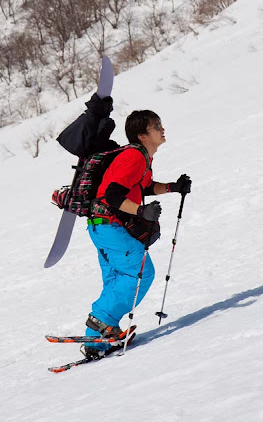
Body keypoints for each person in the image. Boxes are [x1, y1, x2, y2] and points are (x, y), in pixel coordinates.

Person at [83, 109, 191, 358]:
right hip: (109, 224)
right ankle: (101, 322)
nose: (162, 129)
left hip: (101, 225)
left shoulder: (142, 157)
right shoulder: (134, 156)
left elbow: (143, 186)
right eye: (156, 126)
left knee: (117, 278)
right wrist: (142, 212)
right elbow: (112, 195)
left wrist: (173, 187)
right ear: (142, 135)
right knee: (140, 273)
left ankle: (96, 340)